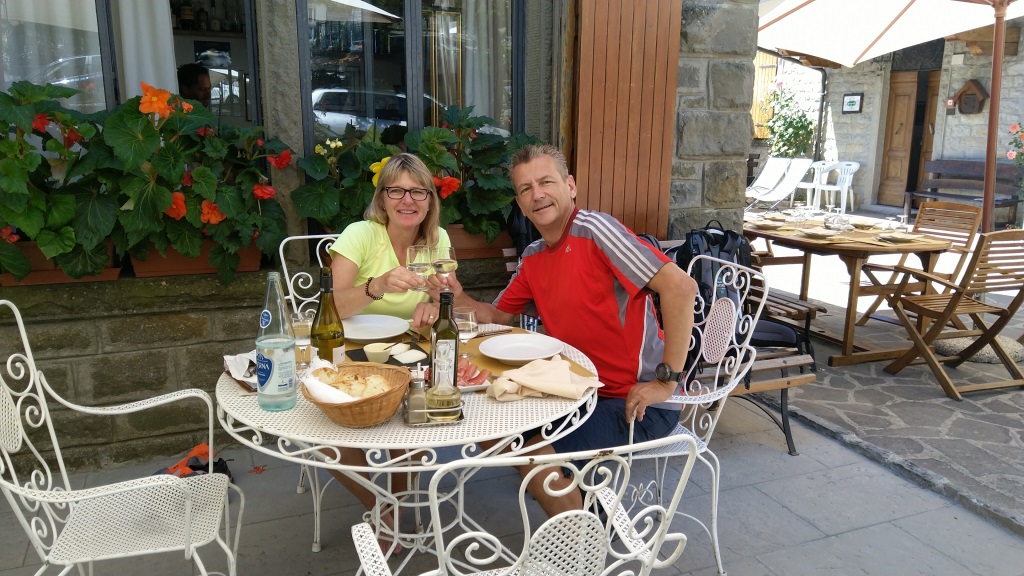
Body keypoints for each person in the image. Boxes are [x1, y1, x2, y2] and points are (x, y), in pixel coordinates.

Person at [414, 144, 698, 517]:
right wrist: (457, 296)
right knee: (491, 428)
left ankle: (585, 538)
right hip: (576, 391)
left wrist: (666, 382)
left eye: (546, 182)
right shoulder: (534, 256)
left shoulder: (596, 231)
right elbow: (497, 315)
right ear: (520, 203)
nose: (537, 194)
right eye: (526, 188)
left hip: (636, 399)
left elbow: (681, 288)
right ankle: (581, 507)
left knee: (536, 459)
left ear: (570, 186)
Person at [324, 152, 451, 551]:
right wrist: (376, 286)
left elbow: (447, 296)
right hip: (351, 356)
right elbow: (332, 307)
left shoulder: (437, 240)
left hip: (409, 353)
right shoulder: (360, 235)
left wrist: (434, 304)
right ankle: (379, 505)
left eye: (418, 191)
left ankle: (398, 500)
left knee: (420, 414)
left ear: (429, 200)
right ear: (382, 199)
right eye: (396, 190)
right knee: (326, 435)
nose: (407, 200)